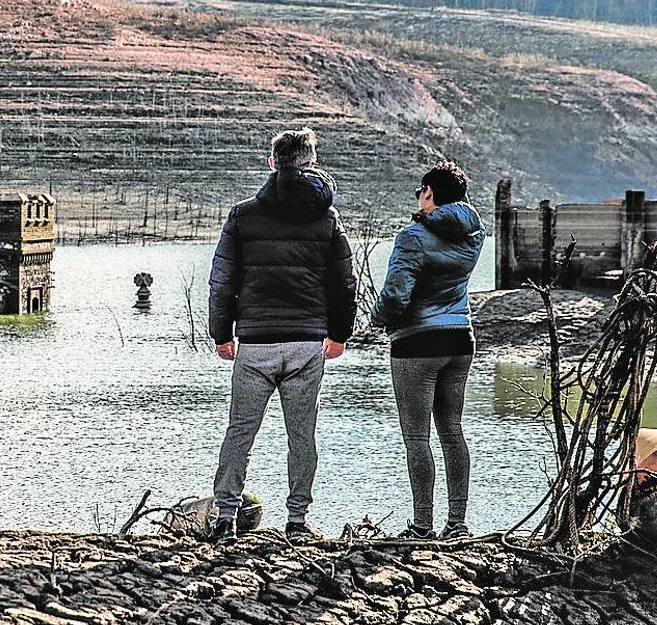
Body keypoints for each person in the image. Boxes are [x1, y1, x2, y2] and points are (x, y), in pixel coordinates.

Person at [206, 128, 357, 542]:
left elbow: (222, 280)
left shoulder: (243, 214)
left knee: (240, 431)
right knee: (302, 434)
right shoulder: (327, 216)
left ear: (273, 163)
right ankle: (297, 520)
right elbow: (344, 281)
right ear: (311, 163)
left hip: (255, 341)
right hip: (307, 341)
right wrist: (340, 333)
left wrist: (221, 333)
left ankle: (225, 516)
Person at [371, 161, 485, 540]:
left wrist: (377, 320)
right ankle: (458, 524)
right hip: (460, 337)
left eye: (421, 192)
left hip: (417, 342)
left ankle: (422, 526)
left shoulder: (412, 237)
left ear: (429, 194)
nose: (418, 199)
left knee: (417, 437)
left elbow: (395, 294)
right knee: (453, 431)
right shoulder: (475, 235)